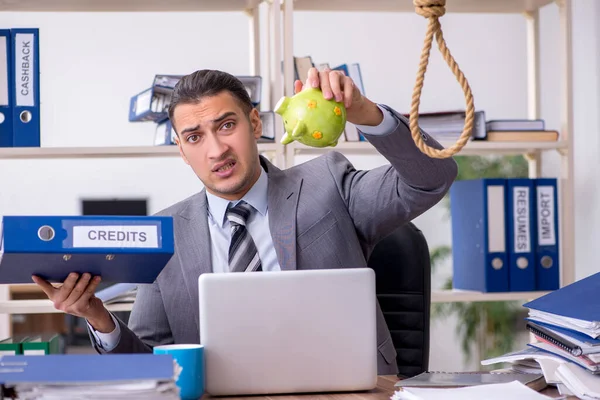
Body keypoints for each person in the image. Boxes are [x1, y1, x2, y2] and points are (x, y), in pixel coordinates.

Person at [33, 67, 458, 375]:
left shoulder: (328, 183)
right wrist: (99, 319)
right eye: (196, 137)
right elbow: (152, 366)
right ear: (182, 151)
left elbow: (433, 177)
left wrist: (367, 113)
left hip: (348, 390)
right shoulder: (166, 233)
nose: (216, 150)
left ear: (255, 123)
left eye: (227, 125)